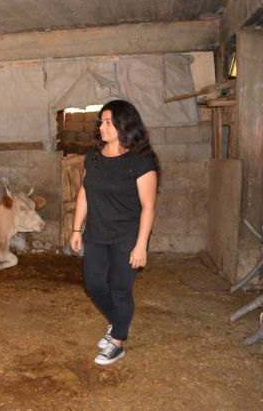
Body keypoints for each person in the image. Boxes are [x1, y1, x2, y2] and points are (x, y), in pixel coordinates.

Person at [69, 99, 159, 366]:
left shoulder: (141, 160)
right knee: (94, 285)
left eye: (109, 122)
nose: (102, 127)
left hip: (126, 236)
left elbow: (148, 206)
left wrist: (141, 245)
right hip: (96, 233)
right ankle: (120, 322)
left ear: (125, 125)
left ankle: (118, 341)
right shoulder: (93, 156)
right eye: (102, 121)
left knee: (120, 289)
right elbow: (84, 191)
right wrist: (76, 228)